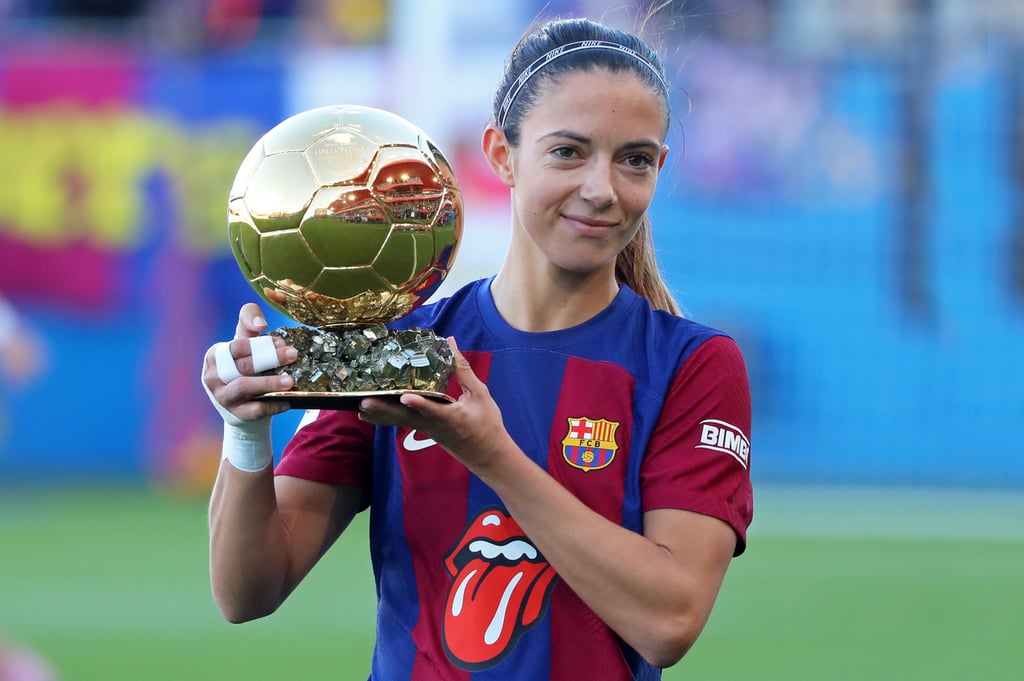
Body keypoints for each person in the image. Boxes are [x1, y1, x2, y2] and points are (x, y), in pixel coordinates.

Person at [202, 13, 753, 680]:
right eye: (568, 151)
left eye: (633, 160)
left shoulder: (690, 366)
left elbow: (669, 620)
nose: (602, 189)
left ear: (659, 168)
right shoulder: (401, 348)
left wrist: (489, 452)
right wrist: (245, 430)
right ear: (499, 154)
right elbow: (247, 589)